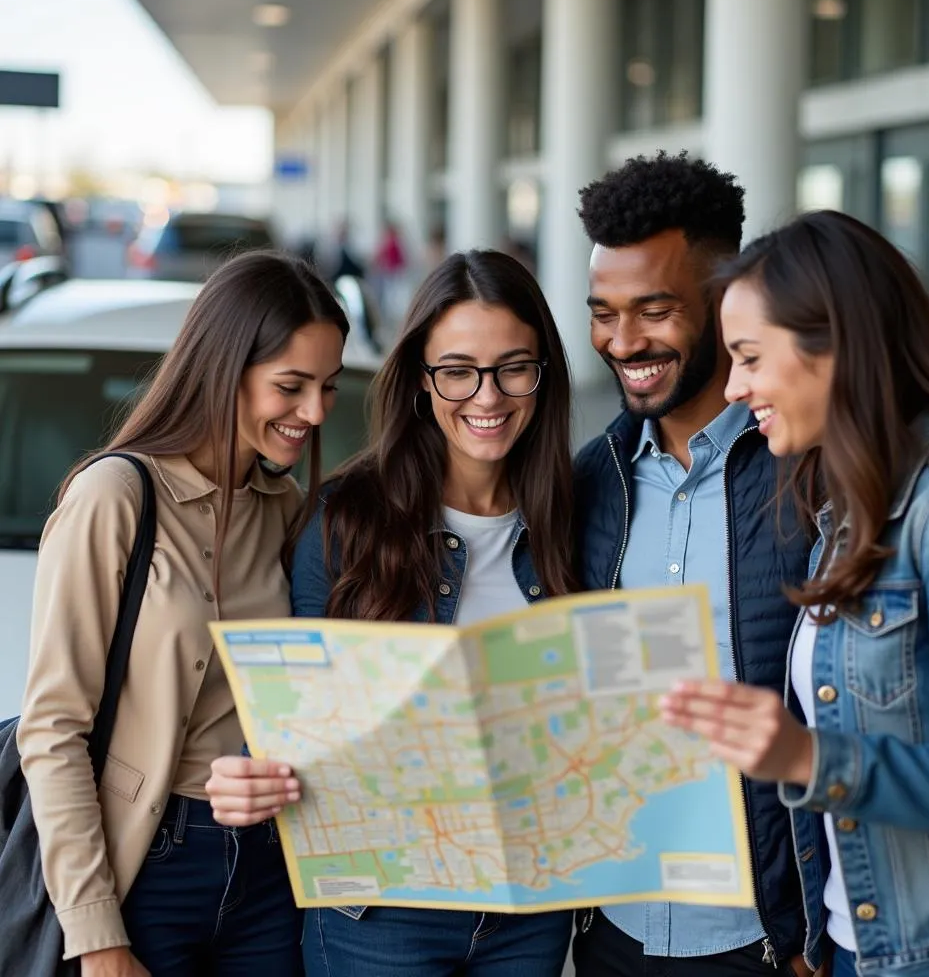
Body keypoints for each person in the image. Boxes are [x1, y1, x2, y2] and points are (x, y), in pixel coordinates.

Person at [661, 209, 929, 977]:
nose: (732, 389)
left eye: (750, 357)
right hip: (861, 952)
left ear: (834, 345)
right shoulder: (841, 505)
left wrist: (806, 756)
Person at [207, 249, 577, 976]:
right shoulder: (348, 518)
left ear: (542, 374)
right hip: (378, 913)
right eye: (458, 370)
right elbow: (301, 716)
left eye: (513, 367)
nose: (488, 395)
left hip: (531, 911)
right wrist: (251, 771)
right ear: (419, 380)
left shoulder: (574, 515)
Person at [17, 250, 350, 977]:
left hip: (269, 870)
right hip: (146, 869)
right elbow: (54, 728)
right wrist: (96, 931)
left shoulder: (287, 508)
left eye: (326, 387)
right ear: (223, 369)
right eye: (290, 387)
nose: (316, 413)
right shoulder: (114, 497)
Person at [571, 152, 815, 976]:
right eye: (603, 312)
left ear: (723, 302)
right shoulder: (586, 482)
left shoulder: (810, 476)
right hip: (612, 927)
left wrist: (816, 931)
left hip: (768, 936)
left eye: (655, 309)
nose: (623, 341)